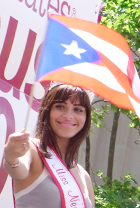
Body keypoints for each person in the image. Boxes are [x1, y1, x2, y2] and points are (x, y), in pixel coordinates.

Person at [3, 83, 95, 208]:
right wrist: (11, 157)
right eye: (60, 107)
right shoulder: (32, 149)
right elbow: (18, 171)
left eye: (78, 109)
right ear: (47, 111)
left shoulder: (83, 175)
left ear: (86, 118)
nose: (68, 115)